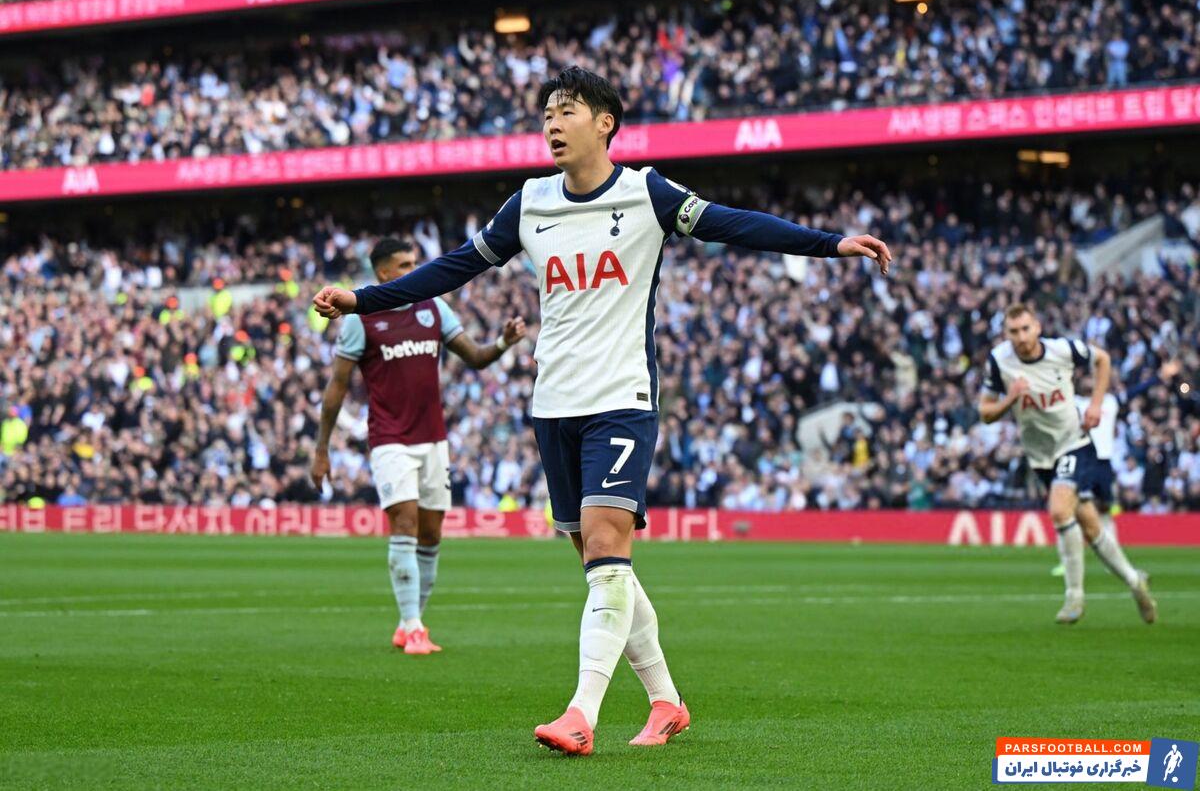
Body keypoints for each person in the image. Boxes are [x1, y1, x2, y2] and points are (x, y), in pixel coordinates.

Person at [313, 66, 892, 753]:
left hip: (621, 398)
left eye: (567, 111)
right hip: (554, 404)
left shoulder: (647, 193)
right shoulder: (529, 202)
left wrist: (830, 243)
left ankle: (580, 714)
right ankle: (666, 702)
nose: (553, 125)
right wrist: (363, 298)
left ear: (605, 122)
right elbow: (453, 268)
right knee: (599, 560)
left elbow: (732, 224)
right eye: (547, 114)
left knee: (608, 549)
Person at [311, 238, 526, 655]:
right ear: (383, 273)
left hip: (433, 439)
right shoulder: (360, 318)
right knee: (405, 524)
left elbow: (476, 357)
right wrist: (322, 449)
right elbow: (337, 387)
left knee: (431, 533)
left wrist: (502, 343)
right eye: (405, 265)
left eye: (415, 262)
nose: (415, 270)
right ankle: (413, 627)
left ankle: (410, 622)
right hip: (389, 440)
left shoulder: (434, 308)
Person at [979, 303, 1156, 625]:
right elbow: (985, 413)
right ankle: (1134, 581)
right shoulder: (998, 361)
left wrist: (1096, 405)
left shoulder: (1062, 350)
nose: (1021, 337)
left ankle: (1074, 596)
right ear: (1006, 334)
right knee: (1089, 524)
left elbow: (1102, 359)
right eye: (1014, 332)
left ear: (1037, 327)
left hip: (1074, 443)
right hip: (1039, 456)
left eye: (1026, 329)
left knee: (1059, 510)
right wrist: (1011, 398)